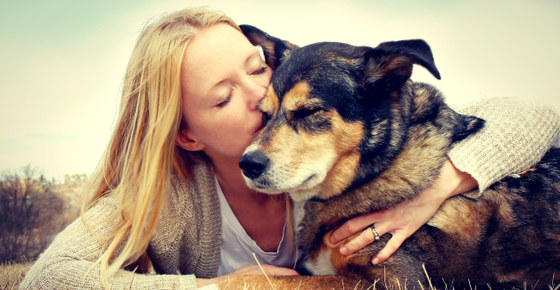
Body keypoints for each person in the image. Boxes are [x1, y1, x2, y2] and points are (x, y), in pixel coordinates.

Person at [20, 7, 560, 289]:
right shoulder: (171, 199)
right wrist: (221, 287)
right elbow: (47, 279)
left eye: (257, 69)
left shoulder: (337, 161)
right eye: (224, 96)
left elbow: (531, 116)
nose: (262, 97)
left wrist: (444, 182)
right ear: (187, 133)